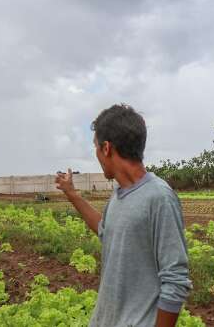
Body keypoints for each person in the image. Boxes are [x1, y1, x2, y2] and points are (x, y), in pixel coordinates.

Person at [55, 104, 191, 327]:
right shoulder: (119, 195)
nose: (97, 155)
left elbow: (175, 279)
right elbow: (105, 232)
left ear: (106, 148)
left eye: (96, 148)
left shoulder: (159, 197)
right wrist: (72, 195)